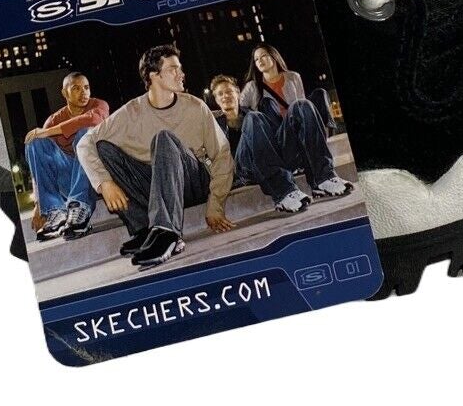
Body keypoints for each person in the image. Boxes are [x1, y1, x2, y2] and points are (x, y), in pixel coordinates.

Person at [77, 45, 234, 269]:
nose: (181, 74)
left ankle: (168, 233)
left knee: (164, 139)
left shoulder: (195, 107)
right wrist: (104, 183)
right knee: (103, 147)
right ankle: (144, 229)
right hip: (157, 185)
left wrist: (215, 204)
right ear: (154, 76)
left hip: (193, 182)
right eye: (173, 69)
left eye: (180, 68)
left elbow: (222, 155)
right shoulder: (132, 111)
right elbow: (85, 144)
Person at [236, 43, 353, 212]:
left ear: (274, 56)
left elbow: (301, 112)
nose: (259, 61)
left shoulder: (293, 77)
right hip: (269, 142)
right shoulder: (252, 87)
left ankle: (324, 178)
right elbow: (239, 115)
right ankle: (285, 192)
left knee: (306, 102)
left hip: (290, 138)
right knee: (256, 114)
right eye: (256, 59)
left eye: (263, 56)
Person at [24, 72, 109, 240]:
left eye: (86, 88)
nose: (83, 93)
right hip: (68, 181)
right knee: (35, 142)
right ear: (65, 93)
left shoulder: (99, 105)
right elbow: (39, 163)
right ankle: (56, 211)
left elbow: (91, 120)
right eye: (76, 88)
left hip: (94, 178)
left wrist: (47, 131)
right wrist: (38, 204)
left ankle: (80, 206)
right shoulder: (54, 120)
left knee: (85, 134)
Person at [208, 74, 244, 156]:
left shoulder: (252, 118)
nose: (225, 96)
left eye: (229, 92)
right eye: (220, 94)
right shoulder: (213, 124)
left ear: (238, 93)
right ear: (216, 100)